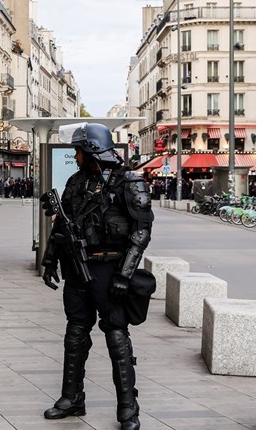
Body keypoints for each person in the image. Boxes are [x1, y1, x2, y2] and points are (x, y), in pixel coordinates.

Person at [40, 123, 153, 430]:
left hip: (111, 268)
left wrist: (125, 274)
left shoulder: (129, 182)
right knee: (75, 333)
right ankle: (72, 397)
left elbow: (141, 232)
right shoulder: (76, 182)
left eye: (78, 151)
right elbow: (61, 227)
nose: (75, 156)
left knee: (116, 336)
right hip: (78, 268)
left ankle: (128, 408)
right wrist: (50, 262)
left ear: (91, 150)